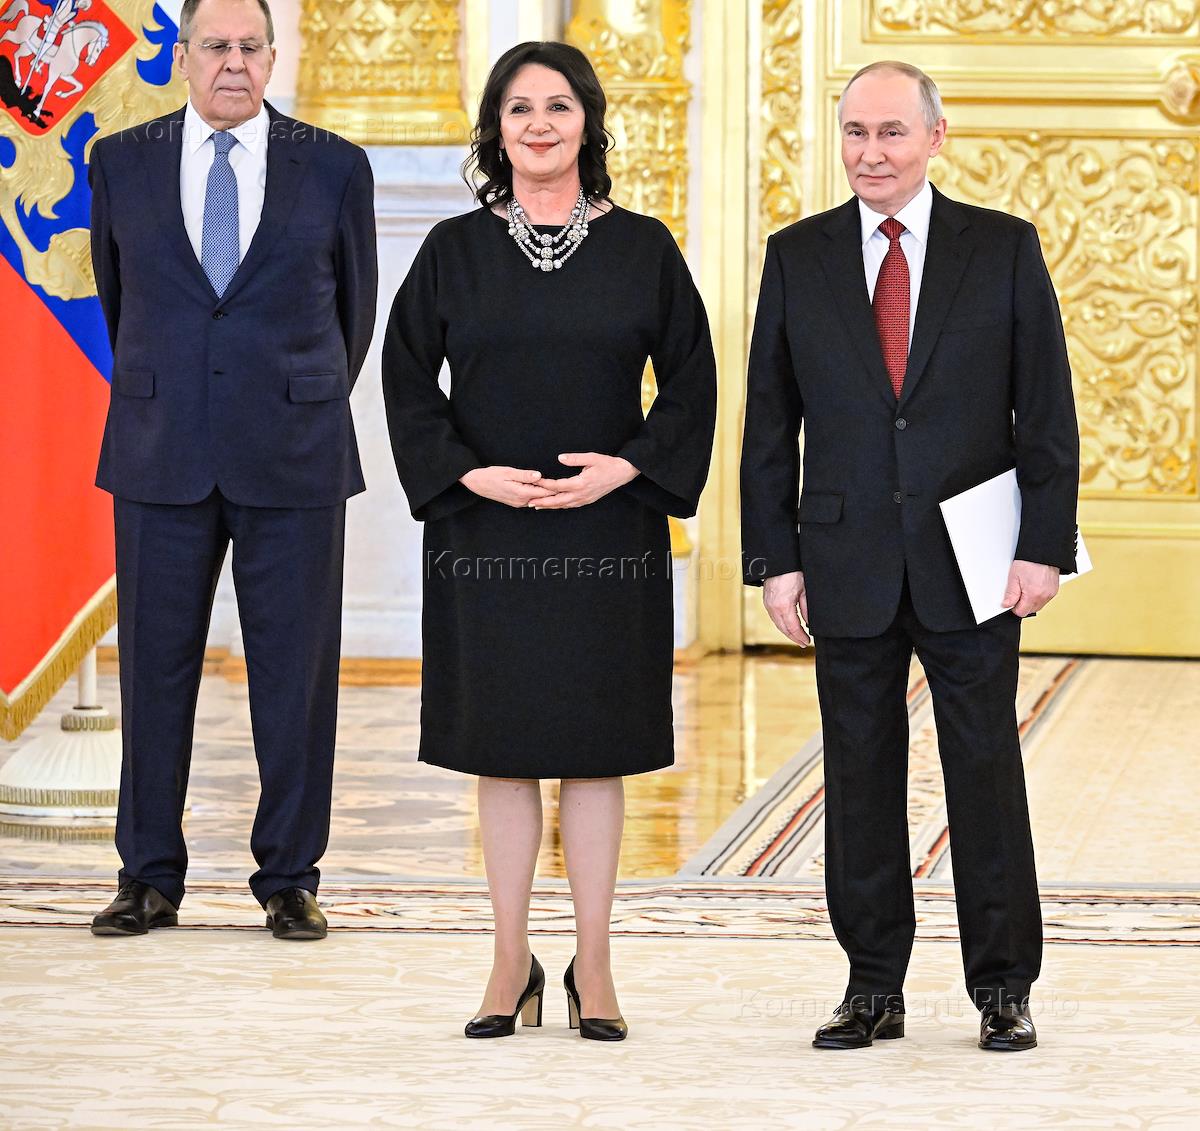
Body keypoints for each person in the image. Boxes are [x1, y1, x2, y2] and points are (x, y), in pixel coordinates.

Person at [741, 60, 1079, 1052]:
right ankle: (872, 985)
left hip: (973, 559)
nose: (871, 152)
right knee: (857, 774)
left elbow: (1045, 410)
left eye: (891, 132)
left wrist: (1042, 548)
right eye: (855, 132)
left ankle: (1004, 986)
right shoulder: (797, 255)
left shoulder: (1002, 248)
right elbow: (770, 423)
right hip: (842, 554)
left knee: (984, 769)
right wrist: (776, 558)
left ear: (935, 137)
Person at [382, 41, 716, 1041]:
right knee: (504, 750)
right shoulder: (453, 250)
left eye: (558, 106)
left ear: (588, 123)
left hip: (609, 534)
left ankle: (595, 968)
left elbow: (693, 384)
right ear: (496, 128)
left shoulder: (644, 248)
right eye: (519, 107)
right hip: (485, 536)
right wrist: (466, 472)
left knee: (596, 752)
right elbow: (405, 379)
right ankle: (508, 963)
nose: (539, 124)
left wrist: (629, 466)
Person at [87, 0, 377, 940]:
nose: (234, 63)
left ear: (272, 56)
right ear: (183, 55)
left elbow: (355, 314)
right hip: (159, 446)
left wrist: (290, 396)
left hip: (294, 451)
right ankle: (147, 876)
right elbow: (120, 299)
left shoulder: (333, 166)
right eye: (215, 46)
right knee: (153, 671)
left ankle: (290, 876)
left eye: (251, 47)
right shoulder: (119, 162)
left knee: (295, 675)